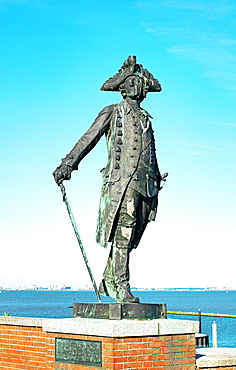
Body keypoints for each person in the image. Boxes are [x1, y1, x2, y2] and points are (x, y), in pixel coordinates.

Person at [53, 56, 167, 303]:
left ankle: (109, 281)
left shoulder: (147, 118)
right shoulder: (112, 112)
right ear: (122, 88)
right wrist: (67, 164)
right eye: (130, 82)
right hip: (122, 182)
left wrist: (157, 179)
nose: (135, 86)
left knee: (132, 235)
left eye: (139, 83)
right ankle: (122, 286)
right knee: (124, 232)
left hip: (146, 185)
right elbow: (88, 138)